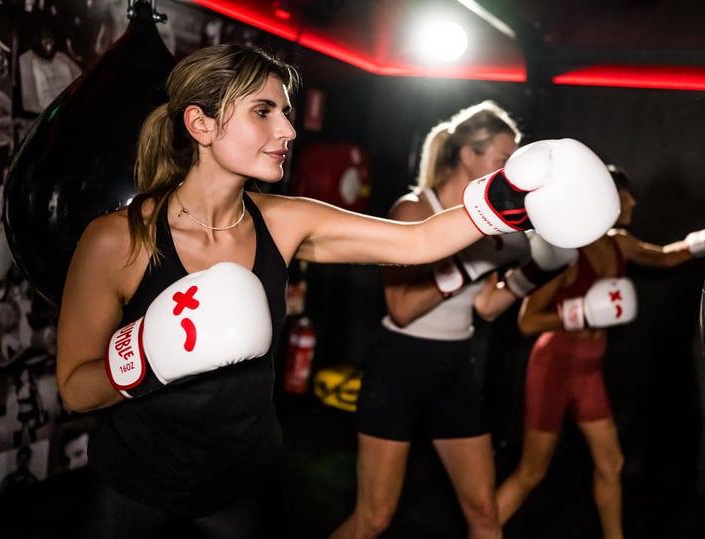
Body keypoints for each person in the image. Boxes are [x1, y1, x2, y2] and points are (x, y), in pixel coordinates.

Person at [55, 43, 618, 538]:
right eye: (263, 111)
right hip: (134, 481)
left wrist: (508, 195)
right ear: (200, 126)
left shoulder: (284, 221)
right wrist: (148, 355)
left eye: (287, 113)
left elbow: (416, 241)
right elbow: (76, 389)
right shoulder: (117, 241)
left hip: (243, 478)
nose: (289, 131)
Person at [329, 101, 581, 539]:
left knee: (485, 513)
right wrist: (468, 266)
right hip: (399, 365)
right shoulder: (413, 210)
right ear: (469, 155)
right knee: (375, 518)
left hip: (455, 367)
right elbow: (402, 309)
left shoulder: (493, 225)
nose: (511, 170)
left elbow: (486, 307)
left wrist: (536, 272)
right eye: (503, 159)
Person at [494, 165, 705, 538]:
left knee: (611, 463)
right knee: (532, 473)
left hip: (588, 369)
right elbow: (527, 321)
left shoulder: (620, 243)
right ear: (604, 201)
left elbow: (664, 256)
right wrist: (581, 312)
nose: (633, 201)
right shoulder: (565, 251)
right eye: (625, 195)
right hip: (554, 364)